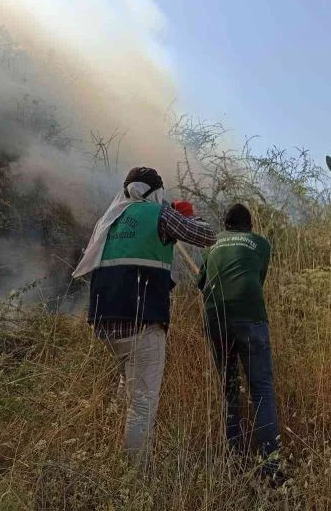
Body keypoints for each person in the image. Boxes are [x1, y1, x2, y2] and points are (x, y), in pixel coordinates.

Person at [72, 167, 217, 467]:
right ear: (154, 193)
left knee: (126, 389)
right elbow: (207, 236)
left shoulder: (109, 219)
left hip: (105, 324)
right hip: (141, 323)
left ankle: (104, 452)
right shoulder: (160, 215)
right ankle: (134, 480)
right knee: (142, 404)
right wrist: (186, 216)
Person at [197, 203, 284, 485]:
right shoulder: (260, 243)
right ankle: (270, 465)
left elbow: (201, 283)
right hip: (250, 318)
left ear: (225, 225)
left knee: (229, 388)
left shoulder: (211, 244)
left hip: (216, 318)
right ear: (249, 226)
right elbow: (258, 278)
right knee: (261, 389)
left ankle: (235, 458)